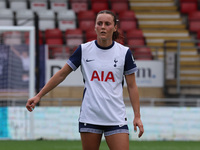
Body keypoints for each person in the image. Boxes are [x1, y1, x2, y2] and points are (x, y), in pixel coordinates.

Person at [26, 10, 144, 150]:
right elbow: (61, 74)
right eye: (99, 23)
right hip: (90, 116)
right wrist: (39, 95)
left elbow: (132, 86)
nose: (103, 27)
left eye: (107, 24)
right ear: (94, 27)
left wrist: (137, 116)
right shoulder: (84, 50)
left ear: (115, 27)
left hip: (115, 117)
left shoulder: (124, 53)